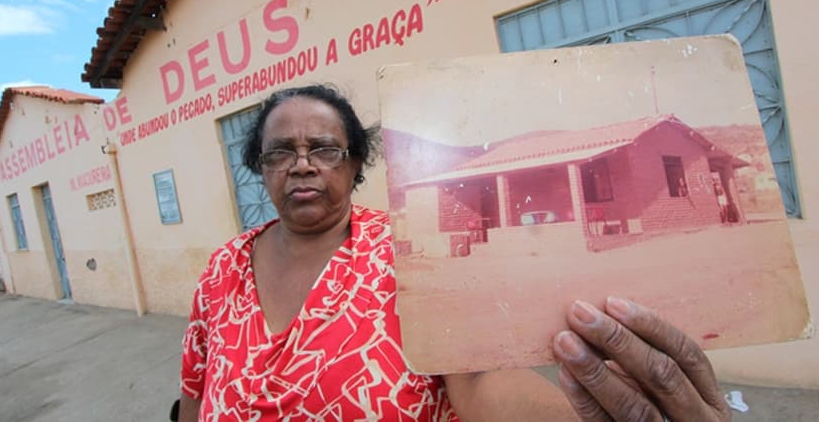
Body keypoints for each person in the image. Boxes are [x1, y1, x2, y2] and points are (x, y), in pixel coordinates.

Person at [179, 85, 731, 421]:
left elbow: (479, 381)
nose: (302, 164)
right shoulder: (222, 270)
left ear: (354, 165)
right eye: (281, 152)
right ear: (261, 168)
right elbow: (196, 395)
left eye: (323, 149)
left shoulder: (406, 256)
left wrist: (591, 417)